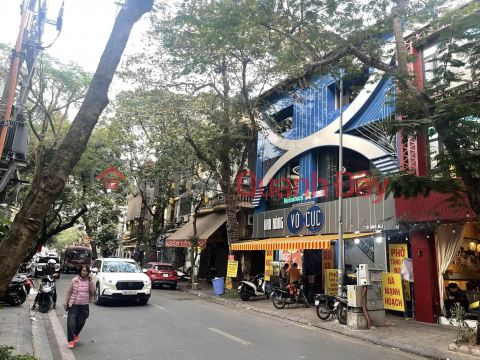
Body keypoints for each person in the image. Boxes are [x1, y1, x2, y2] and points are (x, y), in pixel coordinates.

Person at [63, 266, 96, 349]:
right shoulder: (74, 280)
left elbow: (93, 290)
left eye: (86, 271)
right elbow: (69, 292)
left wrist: (91, 281)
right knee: (71, 323)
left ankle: (76, 334)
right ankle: (71, 340)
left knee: (81, 322)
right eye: (83, 270)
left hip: (84, 305)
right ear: (80, 271)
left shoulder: (89, 281)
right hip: (74, 304)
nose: (84, 272)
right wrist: (66, 302)